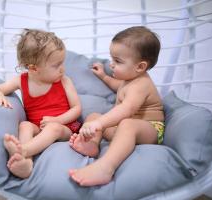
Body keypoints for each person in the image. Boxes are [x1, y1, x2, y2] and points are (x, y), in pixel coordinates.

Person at [69, 26, 165, 186]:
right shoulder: (128, 79)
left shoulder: (141, 85)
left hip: (150, 130)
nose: (112, 65)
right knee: (93, 116)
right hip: (123, 129)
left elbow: (127, 109)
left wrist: (100, 124)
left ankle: (106, 167)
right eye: (112, 59)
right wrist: (103, 76)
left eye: (117, 61)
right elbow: (117, 86)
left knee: (126, 124)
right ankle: (92, 145)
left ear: (140, 67)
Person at [0, 29, 82, 178]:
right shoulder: (22, 80)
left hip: (65, 127)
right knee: (25, 126)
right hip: (39, 129)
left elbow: (77, 108)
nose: (62, 69)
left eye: (62, 63)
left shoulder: (64, 81)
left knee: (53, 128)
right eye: (56, 65)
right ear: (33, 68)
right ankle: (26, 164)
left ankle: (23, 151)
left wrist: (57, 120)